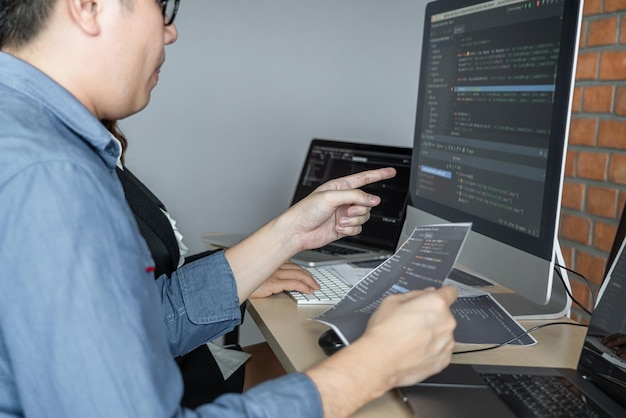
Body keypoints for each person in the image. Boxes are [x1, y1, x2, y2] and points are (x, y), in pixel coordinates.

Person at [0, 1, 458, 417]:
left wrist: (289, 234)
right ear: (88, 6)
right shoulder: (50, 173)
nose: (170, 31)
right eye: (162, 6)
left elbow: (133, 326)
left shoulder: (27, 136)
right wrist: (372, 366)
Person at [105, 118, 317, 405]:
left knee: (315, 358)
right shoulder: (64, 171)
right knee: (327, 369)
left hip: (183, 367)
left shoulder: (104, 155)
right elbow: (137, 328)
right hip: (166, 391)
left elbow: (149, 283)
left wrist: (239, 273)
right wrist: (238, 273)